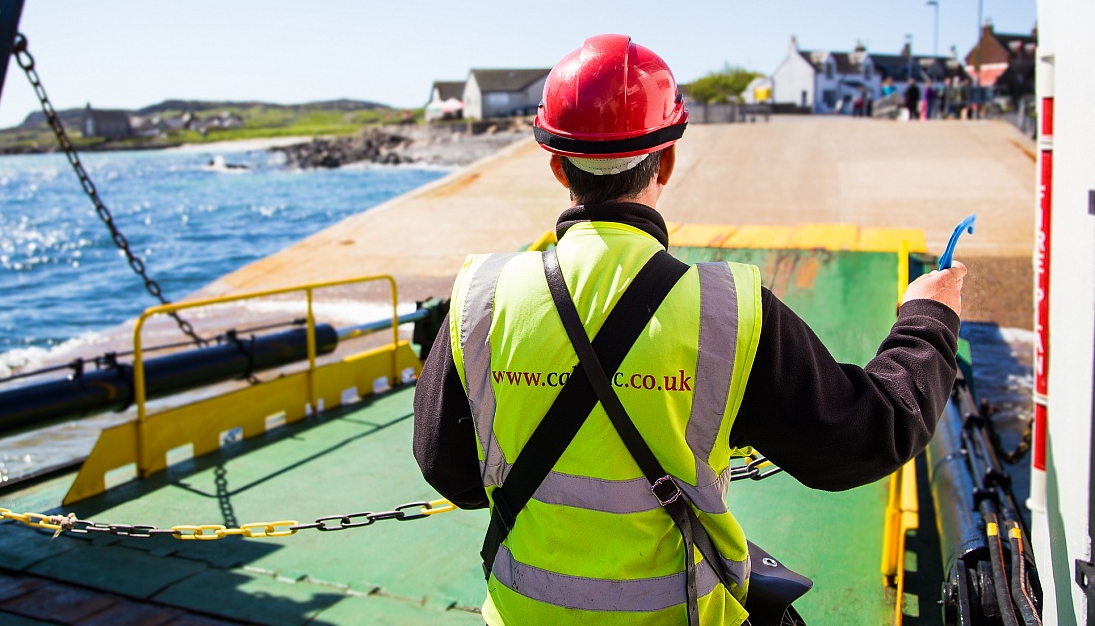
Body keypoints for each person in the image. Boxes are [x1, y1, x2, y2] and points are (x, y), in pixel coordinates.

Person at [412, 34, 964, 626]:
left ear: (556, 165)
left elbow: (448, 468)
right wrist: (927, 317)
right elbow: (867, 435)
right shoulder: (728, 310)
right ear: (668, 161)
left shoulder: (481, 295)